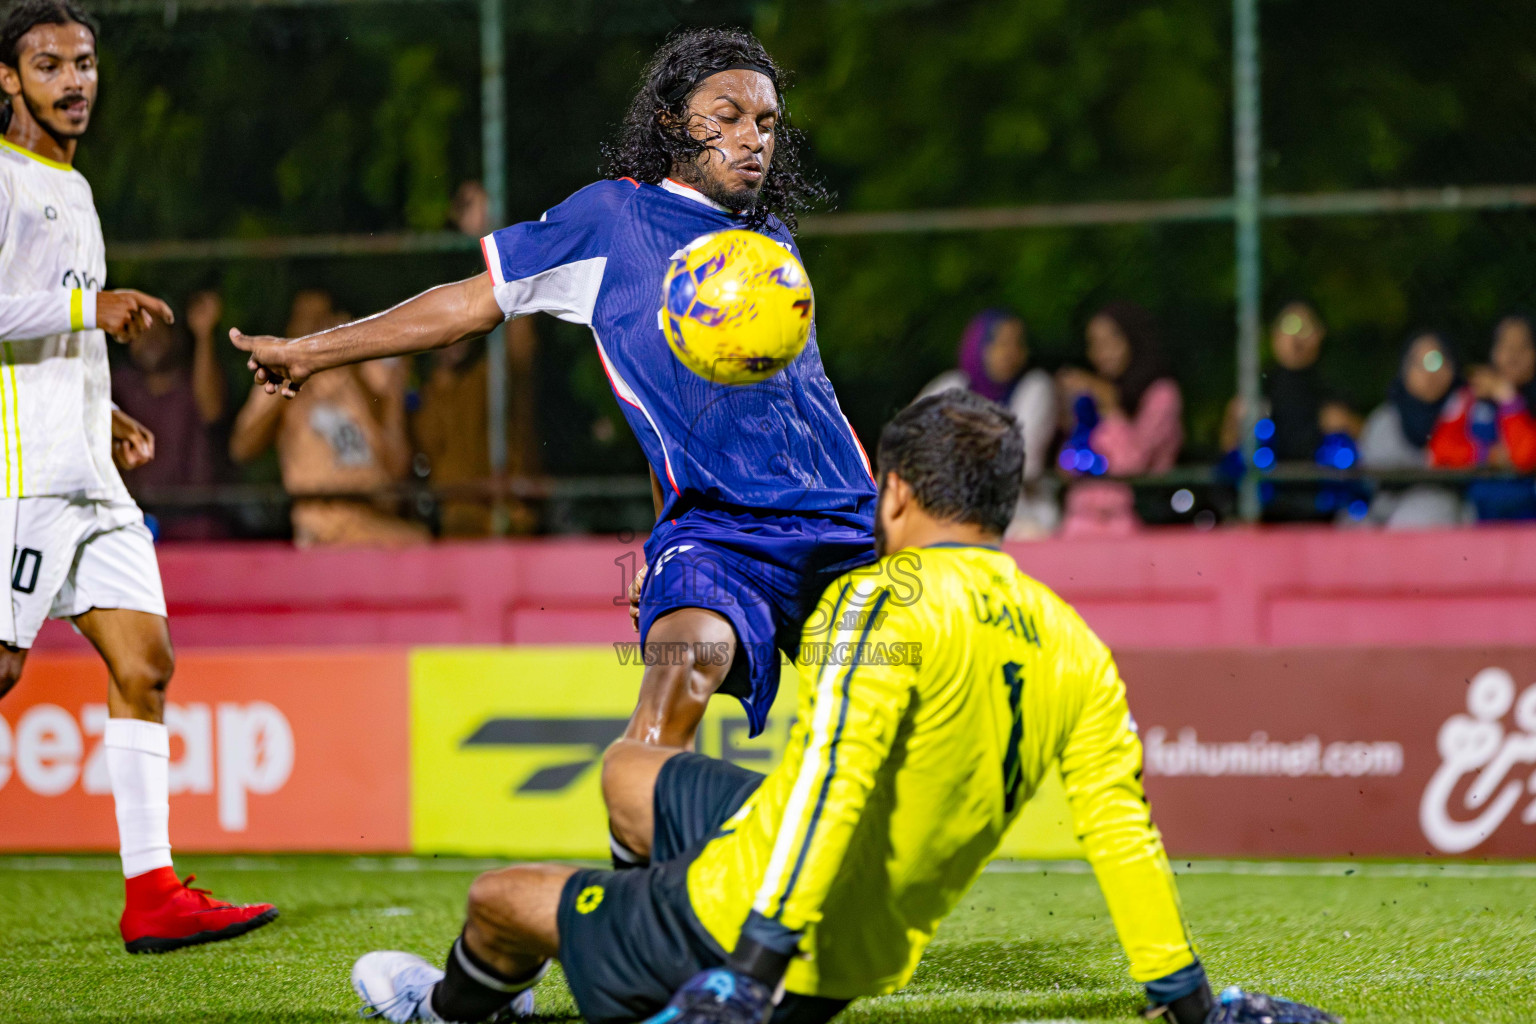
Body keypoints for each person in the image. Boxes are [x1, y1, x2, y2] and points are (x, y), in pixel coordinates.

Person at [346, 391, 1336, 1024]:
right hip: (855, 934)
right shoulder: (1072, 639)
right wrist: (1190, 1005)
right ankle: (636, 942)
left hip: (756, 929)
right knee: (630, 771)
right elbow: (1119, 828)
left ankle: (457, 1008)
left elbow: (833, 776)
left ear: (892, 494)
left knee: (496, 898)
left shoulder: (880, 602)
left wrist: (750, 968)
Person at [229, 29, 878, 763]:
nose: (751, 138)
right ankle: (654, 839)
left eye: (765, 123)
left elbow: (732, 409)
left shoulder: (773, 242)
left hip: (844, 523)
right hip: (723, 539)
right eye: (726, 117)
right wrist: (309, 352)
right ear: (672, 121)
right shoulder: (614, 222)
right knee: (678, 682)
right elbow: (466, 305)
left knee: (910, 706)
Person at [0, 0, 274, 951]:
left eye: (84, 62)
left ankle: (152, 892)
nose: (74, 81)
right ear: (8, 79)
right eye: (48, 65)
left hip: (87, 470)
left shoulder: (72, 187)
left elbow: (48, 330)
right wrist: (91, 308)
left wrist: (100, 408)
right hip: (25, 476)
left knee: (145, 664)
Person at [229, 290, 429, 547]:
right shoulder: (277, 381)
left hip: (373, 517)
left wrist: (349, 355)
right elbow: (242, 448)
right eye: (305, 322)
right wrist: (289, 372)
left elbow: (398, 465)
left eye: (322, 321)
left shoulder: (368, 372)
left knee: (421, 546)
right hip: (319, 525)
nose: (312, 331)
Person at [917, 308, 1057, 536]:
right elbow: (909, 445)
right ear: (978, 346)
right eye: (1000, 343)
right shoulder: (951, 385)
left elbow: (1024, 461)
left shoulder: (1035, 387)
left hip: (1020, 515)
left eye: (1017, 343)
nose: (1009, 352)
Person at [1222, 302, 1360, 522]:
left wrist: (1347, 424)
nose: (1297, 338)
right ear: (1275, 335)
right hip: (1266, 508)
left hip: (1323, 507)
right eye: (1289, 327)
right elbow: (1228, 447)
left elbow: (1366, 442)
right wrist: (1235, 421)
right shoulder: (1257, 389)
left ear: (1319, 334)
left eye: (1305, 328)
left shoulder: (1334, 389)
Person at [111, 289, 230, 539]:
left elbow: (212, 410)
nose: (149, 338)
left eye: (158, 329)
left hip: (196, 526)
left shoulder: (196, 381)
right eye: (140, 330)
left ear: (175, 334)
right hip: (136, 522)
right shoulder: (121, 387)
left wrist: (204, 334)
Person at [1057, 301, 1181, 537]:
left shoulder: (1161, 394)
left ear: (1133, 339)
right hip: (1084, 525)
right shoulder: (1096, 395)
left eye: (1110, 342)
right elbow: (1067, 466)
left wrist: (1112, 409)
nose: (1101, 353)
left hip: (1142, 524)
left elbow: (1131, 465)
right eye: (1094, 344)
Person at [412, 318, 541, 537]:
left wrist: (516, 303)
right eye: (446, 330)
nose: (456, 339)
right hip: (461, 521)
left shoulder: (489, 377)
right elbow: (433, 471)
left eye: (462, 330)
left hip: (509, 515)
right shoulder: (424, 399)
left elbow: (520, 353)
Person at [1429, 315, 1536, 520]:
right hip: (1477, 516)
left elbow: (1525, 457)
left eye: (1523, 347)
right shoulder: (1469, 396)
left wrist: (1508, 398)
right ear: (1492, 351)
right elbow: (1439, 450)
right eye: (1505, 346)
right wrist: (1487, 455)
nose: (1513, 356)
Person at [1356, 332, 1467, 528]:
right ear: (1404, 369)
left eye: (1436, 362)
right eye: (1418, 363)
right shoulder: (1383, 420)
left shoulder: (1468, 413)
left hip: (1453, 518)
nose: (1429, 373)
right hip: (1385, 517)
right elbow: (1370, 481)